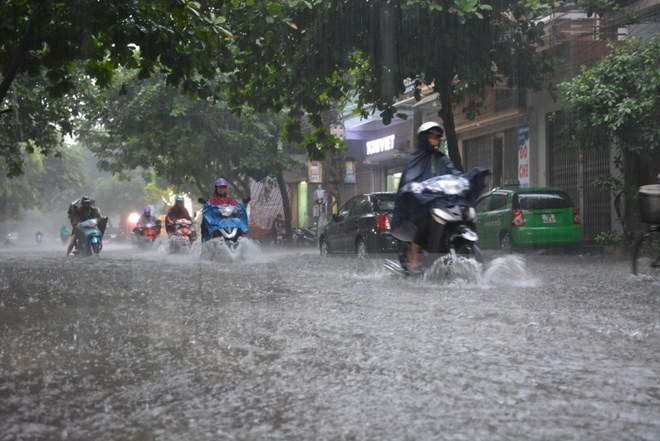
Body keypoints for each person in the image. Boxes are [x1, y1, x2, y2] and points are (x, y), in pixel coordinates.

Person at [391, 121, 461, 274]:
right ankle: (414, 259)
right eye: (431, 136)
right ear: (424, 138)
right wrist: (416, 189)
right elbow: (408, 179)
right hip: (421, 203)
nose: (435, 139)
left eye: (437, 137)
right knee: (424, 220)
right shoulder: (414, 159)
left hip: (441, 201)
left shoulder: (442, 158)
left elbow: (453, 172)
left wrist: (463, 180)